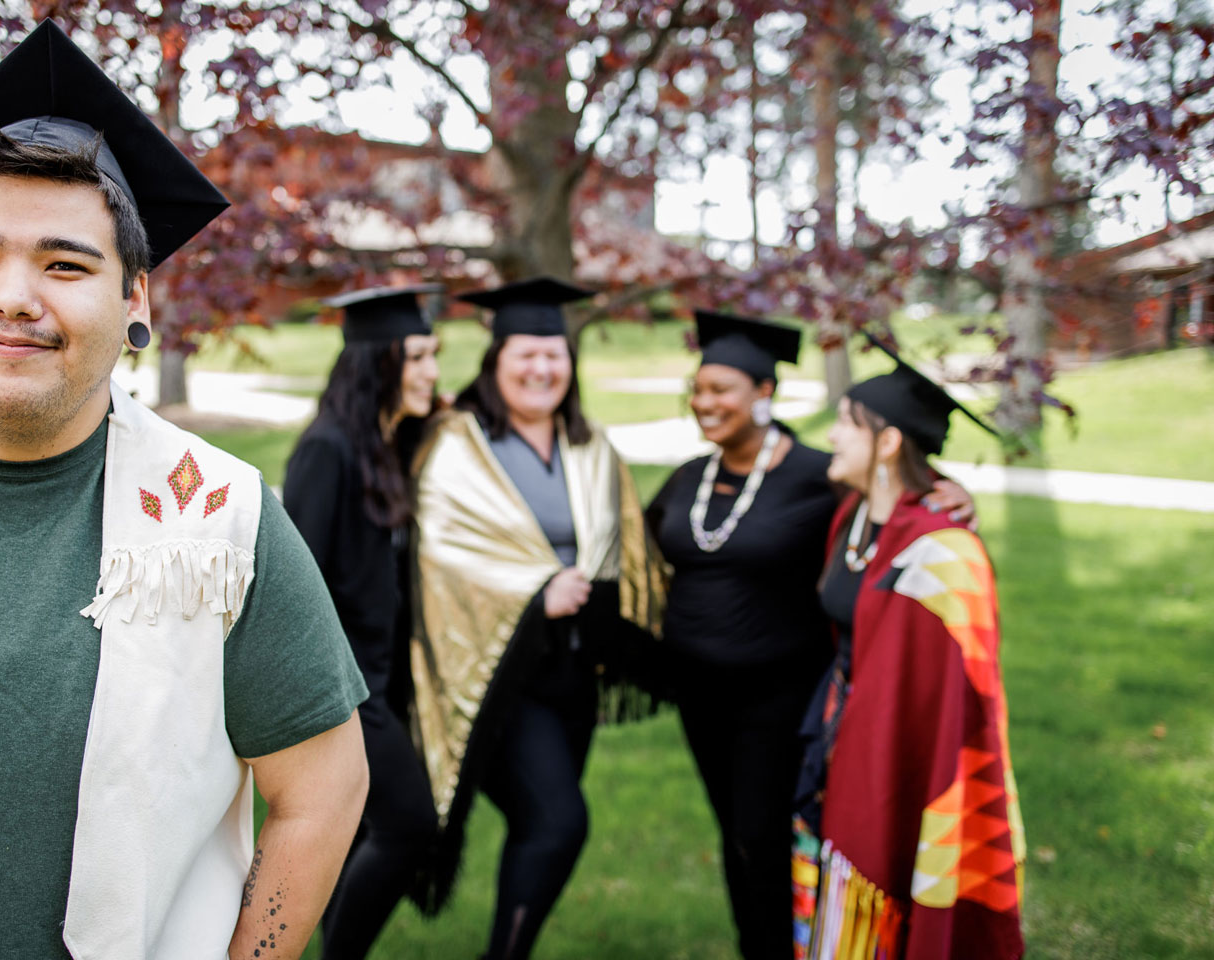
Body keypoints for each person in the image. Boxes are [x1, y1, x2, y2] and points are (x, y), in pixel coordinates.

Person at [0, 21, 368, 960]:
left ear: (136, 298)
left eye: (64, 263)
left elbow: (323, 789)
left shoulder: (223, 521)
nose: (13, 295)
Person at [644, 312, 974, 960]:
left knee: (758, 835)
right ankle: (759, 944)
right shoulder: (688, 478)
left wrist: (950, 490)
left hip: (777, 697)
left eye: (722, 390)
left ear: (764, 394)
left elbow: (895, 491)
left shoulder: (817, 476)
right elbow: (637, 553)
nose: (705, 403)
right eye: (699, 389)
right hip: (700, 698)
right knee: (736, 837)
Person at [406, 277, 664, 960]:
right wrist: (531, 594)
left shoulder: (590, 447)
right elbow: (440, 553)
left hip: (572, 674)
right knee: (556, 823)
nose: (542, 369)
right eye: (526, 355)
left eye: (555, 355)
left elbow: (627, 537)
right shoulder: (456, 442)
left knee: (539, 825)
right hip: (497, 674)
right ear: (496, 362)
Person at [794, 340, 1024, 960]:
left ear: (889, 442)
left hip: (904, 760)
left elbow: (960, 701)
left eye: (847, 422)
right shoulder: (852, 520)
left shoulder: (944, 553)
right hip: (834, 744)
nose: (834, 435)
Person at [280, 285, 443, 960]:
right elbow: (297, 585)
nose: (434, 371)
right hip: (343, 689)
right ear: (380, 363)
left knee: (360, 836)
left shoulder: (385, 444)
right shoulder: (329, 452)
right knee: (409, 829)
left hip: (381, 678)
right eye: (421, 358)